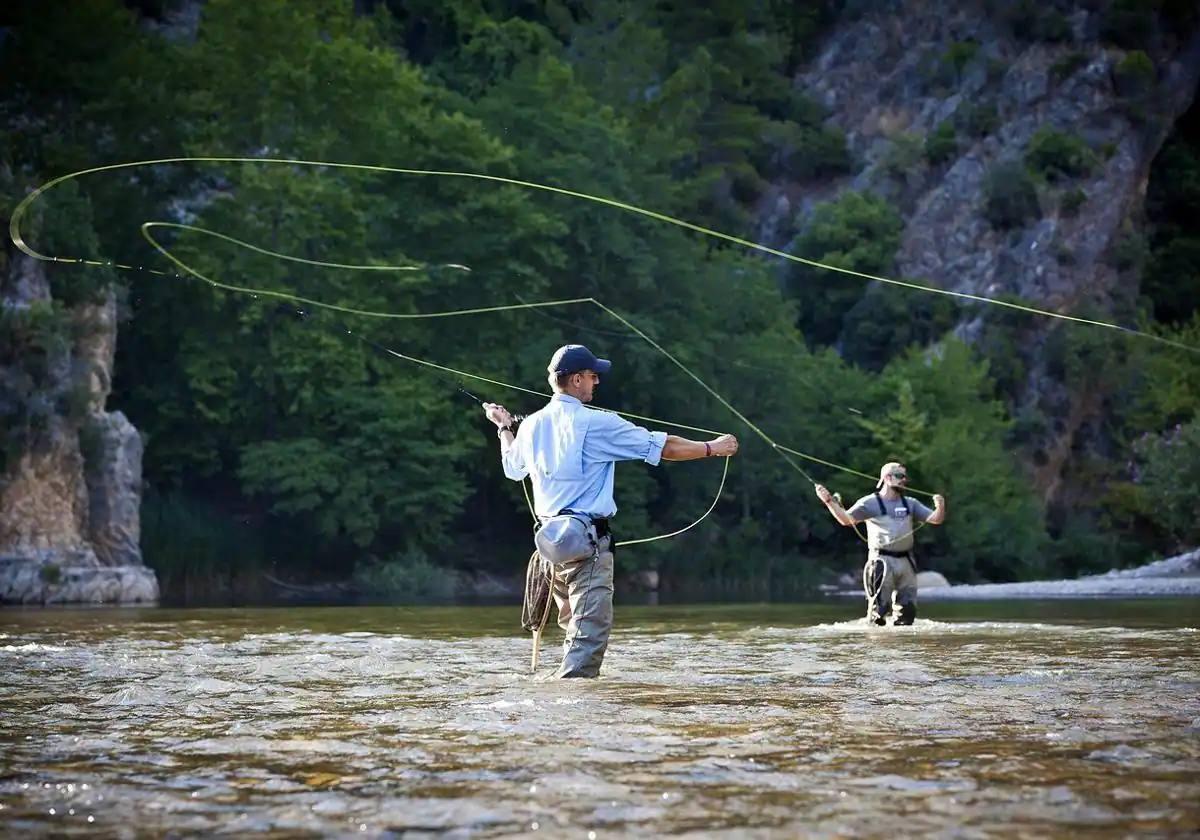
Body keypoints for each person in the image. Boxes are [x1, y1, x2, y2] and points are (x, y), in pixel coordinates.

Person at [483, 344, 738, 677]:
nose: (597, 382)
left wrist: (504, 428)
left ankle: (559, 707)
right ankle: (573, 710)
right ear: (575, 380)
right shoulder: (597, 423)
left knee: (574, 631)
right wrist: (712, 448)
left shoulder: (529, 426)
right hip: (587, 546)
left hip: (552, 550)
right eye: (592, 376)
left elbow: (512, 468)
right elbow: (664, 448)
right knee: (588, 638)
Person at [814, 462, 945, 626]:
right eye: (899, 476)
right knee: (879, 612)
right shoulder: (869, 503)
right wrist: (828, 501)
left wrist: (940, 506)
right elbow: (845, 519)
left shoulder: (910, 503)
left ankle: (905, 649)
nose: (904, 480)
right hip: (881, 561)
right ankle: (876, 647)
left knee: (908, 613)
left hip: (906, 562)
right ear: (887, 478)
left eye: (905, 476)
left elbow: (935, 519)